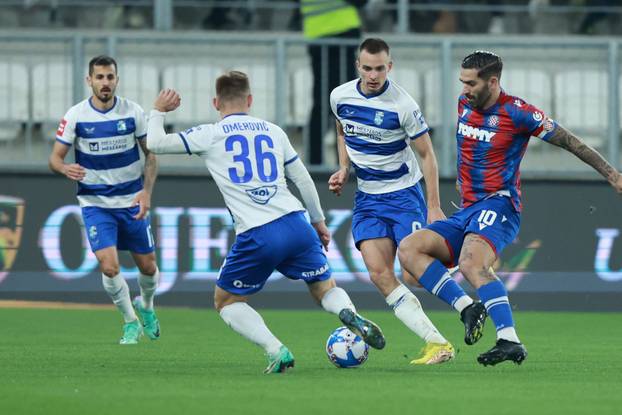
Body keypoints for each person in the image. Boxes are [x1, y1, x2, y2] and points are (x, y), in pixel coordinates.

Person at [146, 71, 385, 374]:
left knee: (226, 301)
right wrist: (319, 222)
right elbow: (303, 179)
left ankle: (277, 350)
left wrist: (158, 110)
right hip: (296, 222)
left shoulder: (209, 134)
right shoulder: (273, 131)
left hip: (257, 232)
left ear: (216, 102)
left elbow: (154, 142)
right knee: (324, 288)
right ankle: (349, 313)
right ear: (249, 100)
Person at [398, 50, 622, 366]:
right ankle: (467, 308)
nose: (464, 90)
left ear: (493, 81)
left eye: (471, 83)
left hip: (500, 205)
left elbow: (571, 142)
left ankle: (508, 339)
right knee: (408, 251)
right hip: (467, 209)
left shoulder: (519, 113)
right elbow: (469, 150)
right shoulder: (465, 103)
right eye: (462, 82)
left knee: (471, 264)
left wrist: (613, 175)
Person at [328, 38, 455, 365]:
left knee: (412, 275)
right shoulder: (339, 97)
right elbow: (343, 131)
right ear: (358, 65)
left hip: (403, 194)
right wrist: (344, 167)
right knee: (379, 273)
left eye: (380, 68)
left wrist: (434, 204)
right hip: (368, 198)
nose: (373, 75)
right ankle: (437, 343)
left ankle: (455, 257)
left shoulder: (403, 105)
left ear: (390, 66)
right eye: (367, 68)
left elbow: (427, 155)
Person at [49, 55, 160, 345]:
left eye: (110, 77)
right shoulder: (76, 116)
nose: (105, 83)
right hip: (96, 204)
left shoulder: (132, 112)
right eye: (99, 77)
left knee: (148, 267)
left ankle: (146, 307)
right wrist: (64, 168)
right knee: (109, 267)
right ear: (89, 81)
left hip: (131, 201)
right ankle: (129, 322)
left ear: (117, 80)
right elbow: (55, 158)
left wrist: (146, 192)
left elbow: (151, 155)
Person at [301, 0, 365, 165]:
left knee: (322, 103)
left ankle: (315, 161)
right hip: (341, 34)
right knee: (345, 103)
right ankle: (344, 163)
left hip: (317, 35)